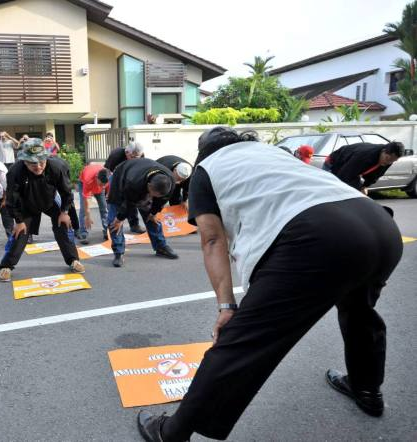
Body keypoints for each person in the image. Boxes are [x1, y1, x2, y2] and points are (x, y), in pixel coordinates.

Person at [137, 127, 403, 442]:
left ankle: (172, 432)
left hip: (316, 237)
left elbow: (211, 239)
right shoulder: (275, 153)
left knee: (243, 342)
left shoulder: (207, 170)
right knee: (360, 312)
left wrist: (226, 306)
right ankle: (368, 390)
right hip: (380, 225)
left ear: (203, 152)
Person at [0, 139, 85, 282]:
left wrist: (64, 212)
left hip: (51, 201)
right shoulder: (15, 171)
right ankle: (6, 266)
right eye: (33, 163)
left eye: (41, 162)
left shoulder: (57, 167)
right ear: (25, 161)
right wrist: (18, 221)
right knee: (20, 233)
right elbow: (11, 200)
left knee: (63, 226)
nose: (38, 167)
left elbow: (67, 192)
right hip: (26, 204)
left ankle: (73, 260)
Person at [107, 158, 178, 267]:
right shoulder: (134, 183)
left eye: (157, 196)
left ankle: (161, 247)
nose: (154, 198)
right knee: (114, 221)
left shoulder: (170, 181)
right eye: (153, 195)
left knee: (152, 217)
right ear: (149, 186)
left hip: (141, 176)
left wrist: (153, 213)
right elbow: (129, 203)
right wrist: (119, 219)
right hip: (122, 176)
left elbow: (162, 200)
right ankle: (118, 252)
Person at [324, 141, 404, 194]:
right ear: (383, 151)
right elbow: (344, 176)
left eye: (393, 161)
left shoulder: (389, 158)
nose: (388, 163)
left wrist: (365, 186)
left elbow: (376, 175)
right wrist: (359, 189)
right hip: (334, 164)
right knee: (328, 192)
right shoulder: (364, 155)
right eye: (387, 159)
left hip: (349, 170)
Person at [104, 141, 146, 234]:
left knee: (132, 201)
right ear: (127, 152)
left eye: (137, 157)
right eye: (132, 157)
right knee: (113, 202)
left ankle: (134, 225)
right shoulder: (116, 155)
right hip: (115, 177)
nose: (135, 159)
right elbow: (108, 172)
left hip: (131, 178)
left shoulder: (141, 154)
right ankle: (110, 229)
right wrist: (108, 190)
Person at [75, 164, 110, 244]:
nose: (103, 186)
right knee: (83, 209)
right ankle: (84, 233)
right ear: (97, 177)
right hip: (83, 182)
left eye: (105, 185)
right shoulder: (88, 180)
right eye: (101, 184)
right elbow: (86, 201)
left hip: (98, 185)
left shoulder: (108, 178)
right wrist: (88, 217)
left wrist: (104, 189)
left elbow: (109, 194)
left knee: (104, 208)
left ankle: (107, 231)